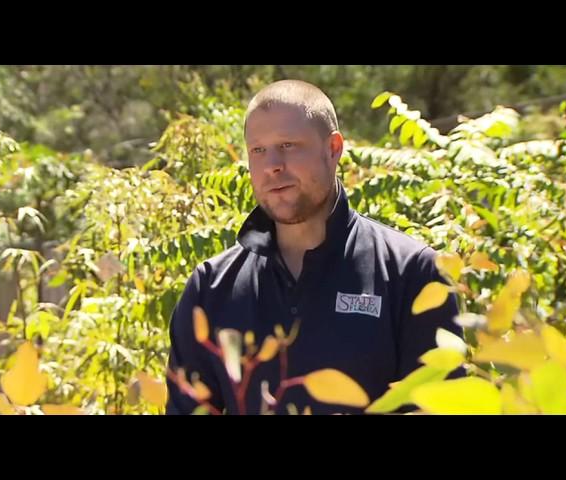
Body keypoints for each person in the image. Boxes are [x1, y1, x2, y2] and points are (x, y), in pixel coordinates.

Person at [165, 79, 463, 415]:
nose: (272, 165)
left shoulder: (412, 273)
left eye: (288, 145)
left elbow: (441, 405)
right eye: (258, 150)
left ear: (334, 148)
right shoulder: (210, 289)